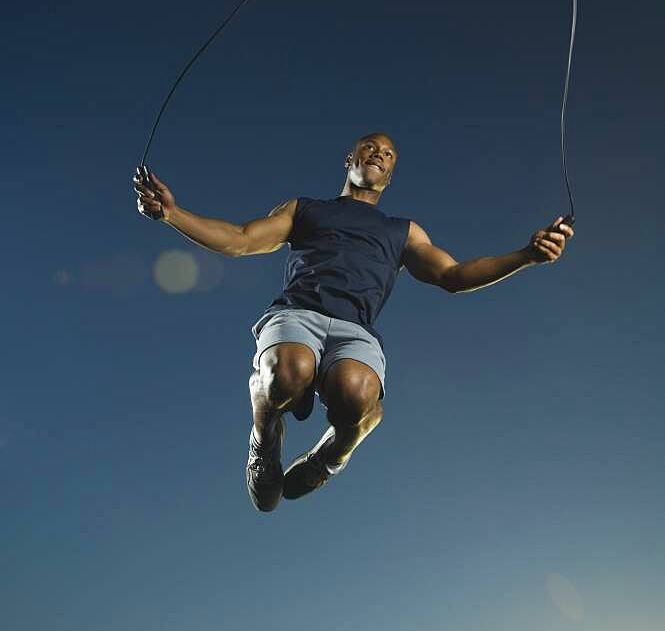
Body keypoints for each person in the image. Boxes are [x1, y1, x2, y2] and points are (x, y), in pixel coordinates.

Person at [133, 132, 574, 512]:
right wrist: (172, 213)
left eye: (388, 154)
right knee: (287, 373)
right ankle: (264, 443)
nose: (379, 154)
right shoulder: (304, 208)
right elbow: (241, 240)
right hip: (296, 315)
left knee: (357, 392)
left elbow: (453, 276)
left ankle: (329, 457)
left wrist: (527, 256)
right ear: (351, 159)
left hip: (355, 331)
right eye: (370, 147)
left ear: (390, 175)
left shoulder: (403, 230)